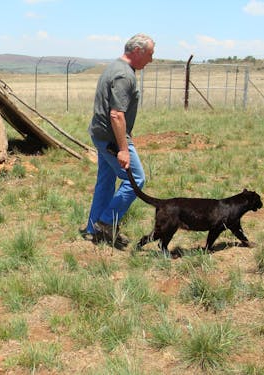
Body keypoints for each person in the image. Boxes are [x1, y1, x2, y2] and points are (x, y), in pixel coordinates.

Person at [84, 33, 155, 249]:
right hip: (112, 139)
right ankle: (106, 222)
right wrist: (123, 149)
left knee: (105, 182)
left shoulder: (114, 66)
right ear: (138, 51)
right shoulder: (125, 75)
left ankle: (92, 228)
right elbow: (116, 115)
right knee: (136, 179)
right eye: (150, 54)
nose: (151, 59)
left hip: (100, 134)